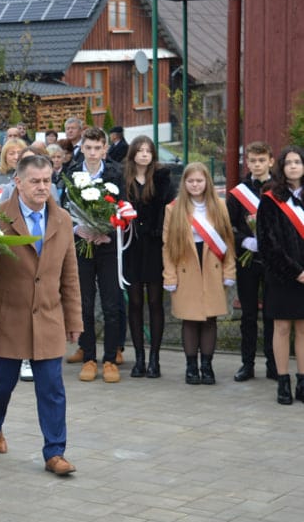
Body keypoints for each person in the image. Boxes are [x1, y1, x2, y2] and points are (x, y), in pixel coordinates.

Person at [0, 155, 82, 475]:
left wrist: (74, 320)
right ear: (17, 182)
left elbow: (70, 276)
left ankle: (55, 452)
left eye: (47, 180)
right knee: (1, 384)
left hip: (48, 317)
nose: (42, 187)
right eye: (35, 181)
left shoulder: (61, 220)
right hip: (9, 319)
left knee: (52, 387)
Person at [162, 162, 235, 385]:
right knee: (190, 319)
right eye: (191, 181)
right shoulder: (173, 208)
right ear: (184, 183)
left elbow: (228, 241)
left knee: (210, 318)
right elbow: (168, 245)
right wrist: (170, 275)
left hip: (212, 263)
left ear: (207, 182)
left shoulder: (220, 206)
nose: (195, 185)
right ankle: (191, 366)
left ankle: (207, 366)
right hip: (186, 266)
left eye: (199, 181)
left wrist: (229, 269)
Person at [62, 127, 124, 383]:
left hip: (107, 245)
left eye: (98, 148)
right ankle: (88, 356)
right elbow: (65, 207)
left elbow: (122, 206)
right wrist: (80, 228)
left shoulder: (116, 173)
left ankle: (110, 358)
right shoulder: (72, 172)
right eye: (88, 148)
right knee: (84, 303)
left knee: (111, 302)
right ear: (82, 148)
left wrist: (104, 228)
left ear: (105, 149)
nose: (92, 153)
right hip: (81, 245)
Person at [122, 136, 175, 378]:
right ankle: (139, 357)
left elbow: (168, 209)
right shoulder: (123, 178)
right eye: (140, 150)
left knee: (155, 302)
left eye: (148, 151)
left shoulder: (162, 178)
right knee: (134, 303)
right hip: (131, 246)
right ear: (132, 153)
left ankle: (155, 357)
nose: (144, 154)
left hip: (154, 246)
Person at [257, 145, 304, 404]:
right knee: (282, 327)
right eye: (289, 162)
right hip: (282, 275)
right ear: (281, 168)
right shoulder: (270, 198)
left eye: (298, 161)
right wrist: (296, 272)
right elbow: (268, 243)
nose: (293, 166)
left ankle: (303, 382)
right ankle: (283, 382)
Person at [228, 141, 277, 382]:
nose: (257, 165)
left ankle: (273, 363)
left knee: (271, 313)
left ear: (271, 161)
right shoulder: (238, 193)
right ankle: (247, 364)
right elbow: (230, 225)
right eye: (253, 161)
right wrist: (245, 241)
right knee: (248, 314)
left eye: (261, 160)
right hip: (247, 259)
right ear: (247, 162)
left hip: (274, 261)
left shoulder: (280, 189)